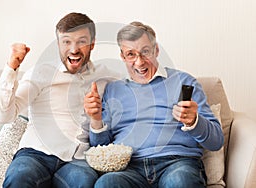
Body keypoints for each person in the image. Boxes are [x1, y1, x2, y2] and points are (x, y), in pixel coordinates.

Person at [84, 21, 224, 188]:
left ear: (156, 50)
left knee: (180, 181)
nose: (139, 62)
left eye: (145, 52)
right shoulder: (113, 89)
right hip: (129, 167)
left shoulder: (184, 82)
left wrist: (194, 121)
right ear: (122, 56)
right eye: (131, 54)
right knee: (107, 183)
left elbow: (216, 142)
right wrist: (96, 119)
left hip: (176, 162)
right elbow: (101, 148)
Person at [0, 12, 119, 188]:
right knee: (19, 177)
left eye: (81, 41)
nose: (74, 49)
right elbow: (5, 117)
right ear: (58, 44)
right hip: (35, 154)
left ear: (92, 44)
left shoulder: (108, 76)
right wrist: (11, 68)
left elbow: (137, 89)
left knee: (84, 182)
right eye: (66, 41)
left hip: (78, 159)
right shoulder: (41, 72)